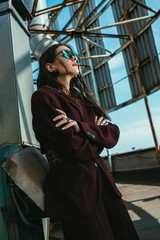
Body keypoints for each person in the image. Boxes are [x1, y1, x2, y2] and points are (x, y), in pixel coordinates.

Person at [31, 43, 139, 240]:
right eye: (67, 54)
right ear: (50, 67)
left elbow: (113, 133)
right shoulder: (43, 98)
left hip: (105, 185)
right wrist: (98, 135)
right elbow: (75, 148)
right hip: (77, 191)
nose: (75, 58)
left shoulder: (82, 99)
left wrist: (82, 127)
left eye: (75, 54)